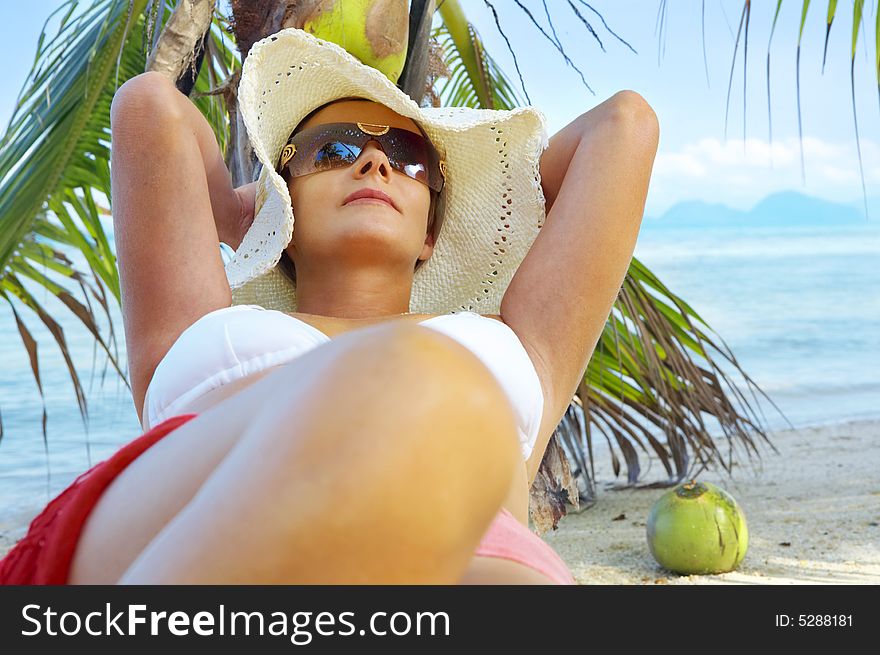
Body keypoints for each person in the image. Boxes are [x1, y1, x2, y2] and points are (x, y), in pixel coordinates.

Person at [0, 29, 658, 585]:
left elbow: (624, 126)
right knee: (435, 384)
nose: (374, 159)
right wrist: (242, 212)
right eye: (334, 150)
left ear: (432, 230)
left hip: (470, 557)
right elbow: (151, 107)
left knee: (434, 387)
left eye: (408, 160)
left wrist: (495, 194)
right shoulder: (199, 321)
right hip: (179, 515)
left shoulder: (525, 340)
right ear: (283, 201)